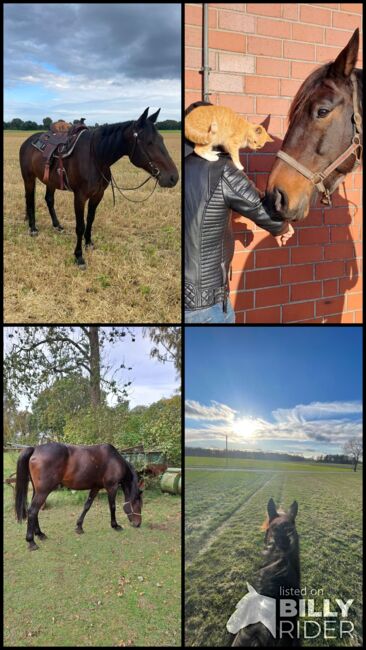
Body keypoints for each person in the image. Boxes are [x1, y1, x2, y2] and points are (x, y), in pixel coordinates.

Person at [185, 102, 294, 324]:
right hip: (206, 304)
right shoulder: (222, 169)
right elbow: (257, 206)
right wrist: (282, 227)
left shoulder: (179, 165)